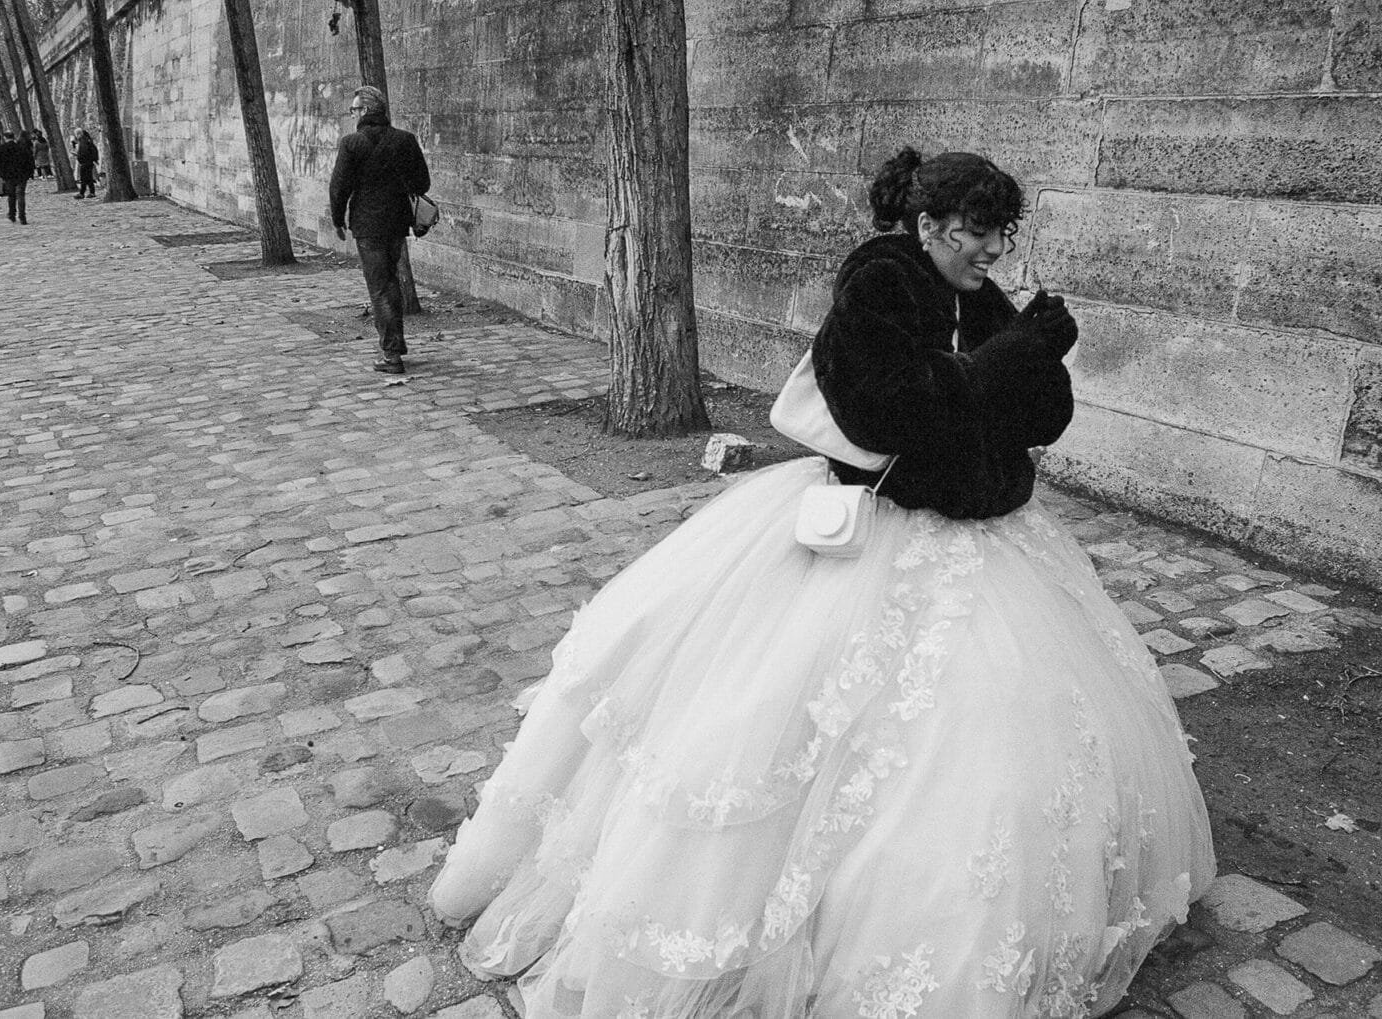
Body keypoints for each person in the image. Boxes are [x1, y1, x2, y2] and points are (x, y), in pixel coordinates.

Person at [427, 148, 1216, 1018]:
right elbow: (890, 408)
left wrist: (1032, 361)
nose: (993, 250)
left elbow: (1042, 416)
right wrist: (1012, 356)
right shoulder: (880, 284)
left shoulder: (982, 298)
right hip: (875, 531)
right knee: (798, 723)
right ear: (928, 225)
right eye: (977, 233)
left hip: (984, 532)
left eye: (1001, 234)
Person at [328, 84, 431, 375]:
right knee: (390, 282)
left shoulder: (352, 143)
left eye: (354, 109)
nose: (352, 114)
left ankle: (392, 354)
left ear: (365, 111)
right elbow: (422, 183)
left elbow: (339, 187)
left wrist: (337, 219)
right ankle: (395, 344)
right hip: (397, 222)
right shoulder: (405, 140)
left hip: (367, 225)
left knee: (380, 287)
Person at [0, 131, 33, 225]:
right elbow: (30, 161)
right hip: (21, 175)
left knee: (11, 195)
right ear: (14, 137)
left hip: (9, 176)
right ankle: (22, 216)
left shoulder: (1, 149)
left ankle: (12, 214)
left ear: (5, 138)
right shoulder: (21, 148)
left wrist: (2, 174)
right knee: (21, 195)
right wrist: (29, 174)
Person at [74, 129, 98, 199]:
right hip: (89, 162)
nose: (76, 137)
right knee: (89, 178)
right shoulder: (87, 139)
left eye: (76, 135)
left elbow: (84, 152)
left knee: (84, 178)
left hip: (85, 162)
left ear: (78, 134)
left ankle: (82, 193)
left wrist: (79, 156)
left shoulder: (83, 141)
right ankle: (91, 192)